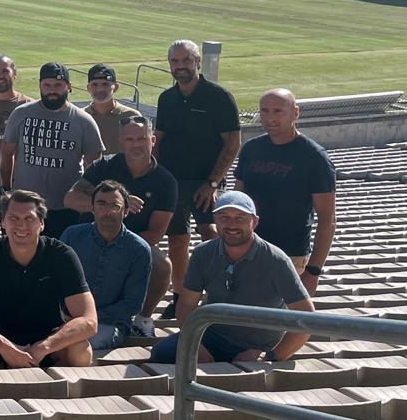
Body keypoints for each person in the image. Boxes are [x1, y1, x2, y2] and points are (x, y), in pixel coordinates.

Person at [149, 192, 315, 364]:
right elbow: (186, 305)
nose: (232, 224)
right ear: (215, 220)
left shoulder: (277, 260)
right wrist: (196, 345)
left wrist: (271, 356)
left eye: (240, 218)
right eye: (224, 218)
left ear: (255, 221)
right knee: (161, 354)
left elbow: (306, 317)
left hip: (258, 345)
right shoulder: (202, 253)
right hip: (211, 337)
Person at [0, 190, 97, 369]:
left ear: (42, 224)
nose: (21, 225)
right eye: (14, 218)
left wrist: (44, 347)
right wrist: (2, 345)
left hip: (47, 341)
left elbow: (89, 320)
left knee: (81, 349)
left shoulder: (62, 255)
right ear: (3, 222)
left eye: (29, 219)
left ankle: (58, 386)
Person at [64, 115, 176, 322]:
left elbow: (156, 233)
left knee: (163, 265)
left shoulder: (165, 181)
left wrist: (118, 246)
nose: (135, 145)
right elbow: (70, 198)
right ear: (121, 142)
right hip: (90, 237)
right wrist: (110, 203)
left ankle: (143, 319)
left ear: (152, 140)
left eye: (141, 139)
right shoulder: (104, 166)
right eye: (129, 139)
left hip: (133, 243)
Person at [156, 39, 242, 307]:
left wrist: (213, 182)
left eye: (185, 60)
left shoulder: (219, 97)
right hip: (173, 182)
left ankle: (218, 295)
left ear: (197, 62)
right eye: (175, 61)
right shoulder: (167, 98)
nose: (180, 66)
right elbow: (160, 139)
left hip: (206, 182)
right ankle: (180, 296)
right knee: (177, 240)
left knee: (211, 234)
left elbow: (232, 142)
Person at [236, 89, 336, 293]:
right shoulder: (251, 149)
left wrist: (313, 271)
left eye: (277, 111)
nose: (269, 118)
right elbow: (239, 200)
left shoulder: (314, 157)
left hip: (291, 254)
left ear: (295, 113)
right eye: (264, 111)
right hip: (248, 248)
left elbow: (328, 219)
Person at [0, 62, 103, 238]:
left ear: (68, 87)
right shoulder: (21, 114)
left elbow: (94, 166)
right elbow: (7, 152)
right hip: (25, 206)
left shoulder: (84, 121)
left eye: (58, 85)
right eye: (47, 85)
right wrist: (7, 189)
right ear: (40, 85)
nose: (52, 90)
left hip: (65, 209)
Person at [61, 182, 153, 351]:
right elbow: (54, 281)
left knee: (79, 346)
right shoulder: (72, 236)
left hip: (109, 323)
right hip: (65, 318)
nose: (108, 211)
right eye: (101, 204)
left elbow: (132, 303)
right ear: (92, 208)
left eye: (115, 206)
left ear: (126, 211)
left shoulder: (139, 250)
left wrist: (88, 318)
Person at [81, 64, 142, 154]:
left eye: (105, 84)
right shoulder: (80, 117)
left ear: (116, 87)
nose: (100, 89)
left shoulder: (131, 116)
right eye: (95, 84)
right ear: (88, 88)